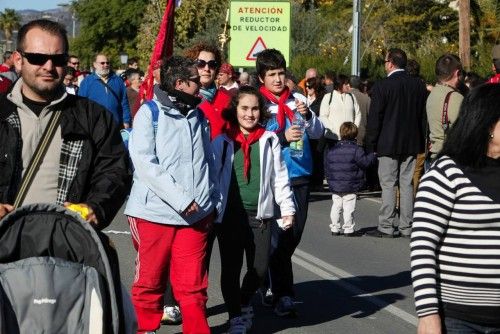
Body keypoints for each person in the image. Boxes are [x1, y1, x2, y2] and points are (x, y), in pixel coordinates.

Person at [0, 19, 131, 228]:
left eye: (58, 59)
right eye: (37, 58)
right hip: (6, 242)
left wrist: (95, 208)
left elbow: (115, 172)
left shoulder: (94, 116)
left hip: (68, 244)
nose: (49, 67)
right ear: (18, 60)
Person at [124, 56, 218, 334]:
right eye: (195, 80)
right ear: (179, 83)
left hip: (196, 217)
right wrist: (181, 199)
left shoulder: (199, 115)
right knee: (150, 282)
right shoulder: (149, 113)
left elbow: (208, 162)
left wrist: (212, 202)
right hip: (154, 214)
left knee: (193, 286)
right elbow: (144, 164)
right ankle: (144, 329)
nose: (201, 84)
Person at [411, 84, 500, 334]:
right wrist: (428, 314)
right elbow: (422, 248)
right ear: (487, 124)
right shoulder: (446, 174)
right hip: (458, 318)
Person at [212, 86, 296, 333]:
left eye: (255, 109)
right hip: (229, 217)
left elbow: (279, 177)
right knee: (231, 268)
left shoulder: (269, 140)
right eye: (244, 108)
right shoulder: (223, 141)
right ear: (235, 110)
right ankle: (236, 316)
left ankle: (244, 300)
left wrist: (287, 207)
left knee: (259, 269)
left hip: (260, 216)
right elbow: (213, 178)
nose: (250, 114)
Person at [256, 48, 324, 316]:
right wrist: (282, 135)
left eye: (280, 73)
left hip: (300, 175)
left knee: (292, 236)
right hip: (272, 177)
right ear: (262, 77)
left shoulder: (297, 98)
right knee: (276, 238)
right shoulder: (258, 103)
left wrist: (307, 115)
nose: (277, 79)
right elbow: (256, 137)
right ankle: (281, 292)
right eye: (271, 74)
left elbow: (319, 131)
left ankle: (269, 282)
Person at [364, 48, 427, 238]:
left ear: (390, 63)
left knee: (389, 184)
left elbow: (375, 118)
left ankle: (386, 225)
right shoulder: (418, 85)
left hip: (387, 143)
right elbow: (422, 116)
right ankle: (407, 225)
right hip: (411, 142)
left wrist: (370, 144)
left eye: (385, 62)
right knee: (407, 183)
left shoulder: (383, 86)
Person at [325, 122, 376, 236]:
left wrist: (329, 180)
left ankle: (335, 227)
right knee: (348, 207)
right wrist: (372, 156)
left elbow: (327, 166)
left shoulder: (332, 150)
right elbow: (365, 163)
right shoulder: (357, 150)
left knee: (336, 206)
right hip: (351, 184)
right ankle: (348, 228)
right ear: (355, 135)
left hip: (335, 184)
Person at [184, 42, 231, 140]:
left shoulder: (227, 100)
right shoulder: (182, 97)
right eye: (200, 63)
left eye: (212, 64)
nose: (207, 69)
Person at [426, 54, 464, 163]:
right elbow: (466, 131)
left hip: (435, 155)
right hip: (451, 159)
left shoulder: (433, 93)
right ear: (457, 73)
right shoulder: (455, 97)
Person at [79, 53, 131, 129]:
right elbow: (81, 105)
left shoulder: (117, 80)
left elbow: (124, 102)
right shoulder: (87, 82)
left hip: (115, 125)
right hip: (95, 126)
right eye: (102, 63)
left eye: (107, 63)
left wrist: (126, 121)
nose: (105, 65)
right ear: (95, 64)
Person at [320, 74, 361, 143]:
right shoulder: (328, 97)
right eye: (346, 84)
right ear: (339, 84)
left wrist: (354, 128)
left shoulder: (352, 97)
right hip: (333, 139)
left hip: (350, 139)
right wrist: (333, 129)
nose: (348, 86)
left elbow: (358, 114)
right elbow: (323, 116)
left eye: (349, 83)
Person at [304, 76, 326, 191]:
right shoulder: (306, 99)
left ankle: (318, 182)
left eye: (310, 87)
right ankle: (311, 180)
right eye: (306, 86)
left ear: (316, 87)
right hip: (308, 132)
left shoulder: (322, 99)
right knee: (311, 155)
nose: (308, 89)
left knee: (318, 156)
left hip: (319, 131)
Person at [349, 75, 370, 146]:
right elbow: (371, 115)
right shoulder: (366, 98)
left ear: (349, 84)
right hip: (361, 134)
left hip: (345, 133)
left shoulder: (344, 96)